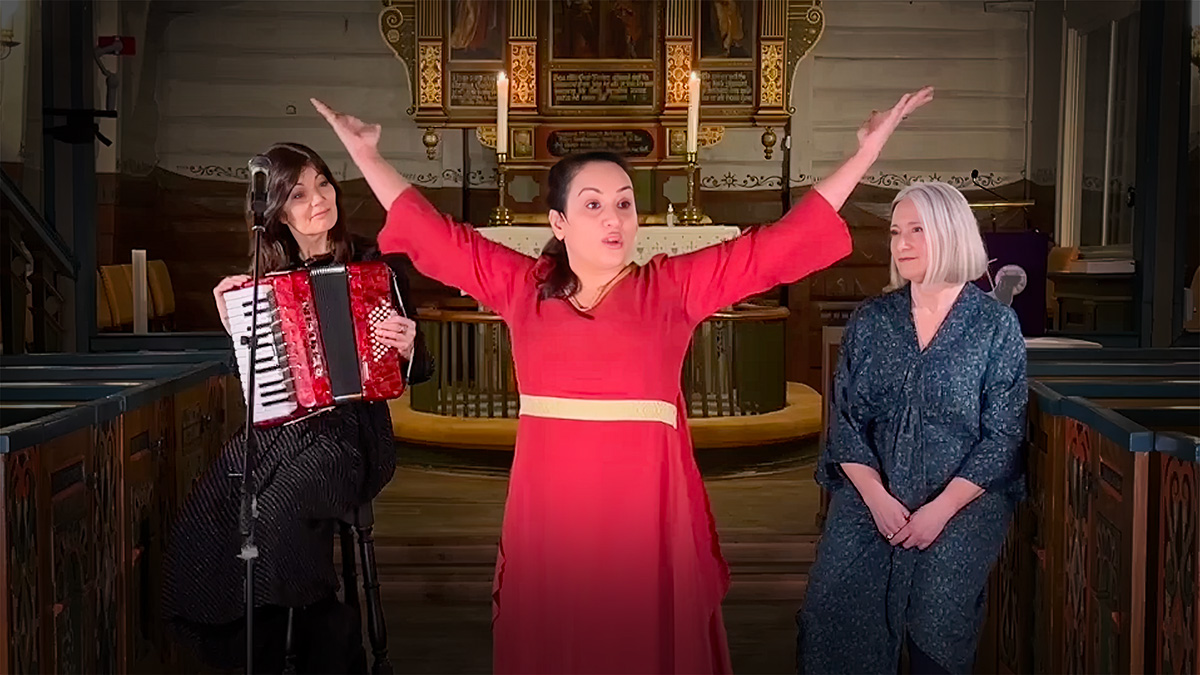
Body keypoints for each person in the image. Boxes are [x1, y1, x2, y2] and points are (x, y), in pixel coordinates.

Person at [312, 86, 933, 674]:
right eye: (593, 204)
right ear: (558, 222)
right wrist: (366, 154)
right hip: (550, 507)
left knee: (643, 637)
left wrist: (866, 152)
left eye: (624, 203)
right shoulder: (523, 287)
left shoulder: (672, 287)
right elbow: (433, 235)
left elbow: (776, 247)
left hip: (646, 508)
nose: (613, 218)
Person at [162, 142, 434, 674]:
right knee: (214, 503)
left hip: (351, 436)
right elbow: (254, 379)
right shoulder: (264, 280)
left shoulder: (376, 265)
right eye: (300, 194)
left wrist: (408, 348)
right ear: (278, 213)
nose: (319, 200)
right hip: (281, 433)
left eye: (323, 184)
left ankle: (315, 637)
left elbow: (420, 369)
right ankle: (252, 646)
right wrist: (235, 324)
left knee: (278, 507)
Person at [797, 182, 1028, 674]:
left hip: (961, 501)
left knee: (936, 614)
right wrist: (877, 499)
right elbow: (847, 423)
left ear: (950, 233)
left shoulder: (994, 326)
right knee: (833, 605)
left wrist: (938, 511)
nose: (900, 244)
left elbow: (1002, 438)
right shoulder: (872, 320)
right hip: (873, 494)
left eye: (916, 230)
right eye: (895, 232)